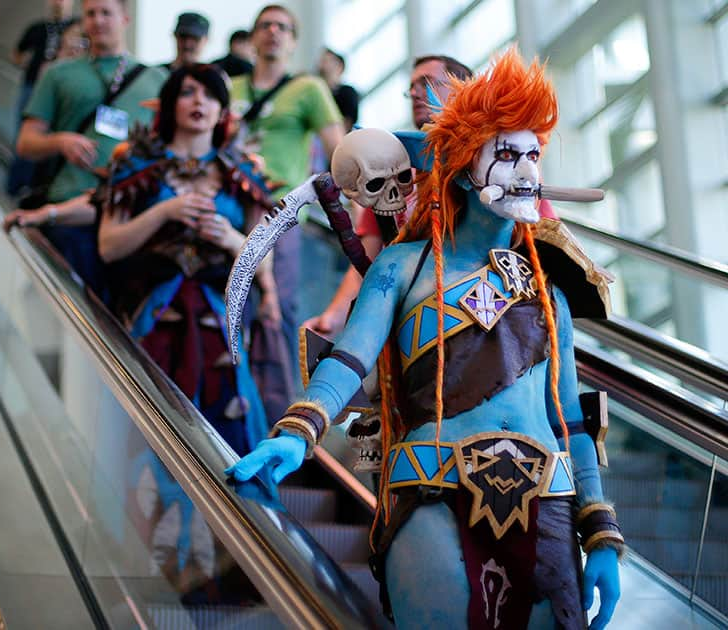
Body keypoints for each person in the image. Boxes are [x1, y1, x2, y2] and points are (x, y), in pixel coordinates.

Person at [227, 49, 622, 629]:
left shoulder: (550, 286)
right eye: (506, 153)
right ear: (463, 166)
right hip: (433, 491)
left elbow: (569, 419)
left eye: (532, 154)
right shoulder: (404, 266)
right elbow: (349, 360)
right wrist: (298, 433)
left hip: (551, 504)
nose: (526, 171)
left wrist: (601, 529)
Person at [96, 64, 280, 456]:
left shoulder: (244, 171)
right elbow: (109, 246)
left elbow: (263, 263)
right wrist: (164, 212)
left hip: (221, 319)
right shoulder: (135, 162)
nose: (200, 102)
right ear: (169, 104)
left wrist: (232, 239)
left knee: (228, 430)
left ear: (222, 111)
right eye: (188, 92)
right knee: (144, 435)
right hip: (150, 314)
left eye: (211, 95)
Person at [304, 54, 474, 337]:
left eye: (428, 82)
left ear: (462, 89)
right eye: (412, 87)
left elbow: (539, 233)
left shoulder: (494, 158)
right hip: (412, 318)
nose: (416, 93)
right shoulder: (390, 165)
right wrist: (333, 316)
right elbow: (370, 256)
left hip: (477, 308)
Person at [229, 4, 344, 416]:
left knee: (277, 309)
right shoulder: (232, 88)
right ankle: (231, 397)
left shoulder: (308, 89)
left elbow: (340, 151)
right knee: (229, 301)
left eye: (283, 27)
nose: (273, 32)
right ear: (254, 36)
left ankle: (276, 411)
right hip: (229, 206)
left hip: (280, 212)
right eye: (265, 26)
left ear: (293, 40)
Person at [14, 0, 167, 295]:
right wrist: (60, 141)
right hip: (69, 210)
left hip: (130, 216)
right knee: (75, 312)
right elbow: (25, 143)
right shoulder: (60, 75)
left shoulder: (156, 79)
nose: (98, 21)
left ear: (124, 18)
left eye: (106, 13)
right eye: (91, 14)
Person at [6, 0, 80, 195]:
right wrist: (30, 63)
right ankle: (17, 186)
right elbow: (16, 54)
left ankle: (37, 186)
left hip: (62, 91)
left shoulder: (76, 26)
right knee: (26, 135)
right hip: (32, 87)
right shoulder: (38, 28)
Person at [318, 48, 359, 132]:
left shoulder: (348, 92)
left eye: (328, 61)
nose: (323, 65)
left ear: (340, 67)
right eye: (323, 61)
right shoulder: (317, 92)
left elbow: (348, 123)